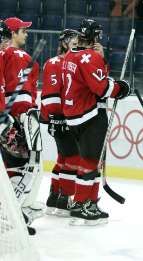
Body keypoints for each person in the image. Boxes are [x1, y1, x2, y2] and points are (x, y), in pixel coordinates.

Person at [62, 18, 131, 226]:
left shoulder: (70, 56)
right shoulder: (89, 57)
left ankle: (89, 202)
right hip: (89, 115)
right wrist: (121, 88)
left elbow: (94, 80)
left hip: (74, 115)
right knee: (91, 161)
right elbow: (102, 89)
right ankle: (82, 203)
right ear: (94, 36)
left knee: (90, 160)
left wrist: (101, 60)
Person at [0, 17, 42, 235]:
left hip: (7, 117)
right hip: (21, 117)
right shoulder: (21, 57)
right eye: (23, 31)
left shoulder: (5, 55)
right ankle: (11, 212)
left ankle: (11, 210)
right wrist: (26, 114)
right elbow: (26, 95)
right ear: (13, 33)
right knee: (29, 166)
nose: (26, 34)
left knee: (11, 165)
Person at [40, 29, 81, 217]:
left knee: (64, 158)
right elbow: (49, 93)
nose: (78, 42)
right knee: (73, 158)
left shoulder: (73, 62)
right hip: (61, 119)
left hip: (69, 118)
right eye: (74, 40)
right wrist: (57, 117)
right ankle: (65, 199)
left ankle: (54, 195)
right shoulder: (54, 63)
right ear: (64, 43)